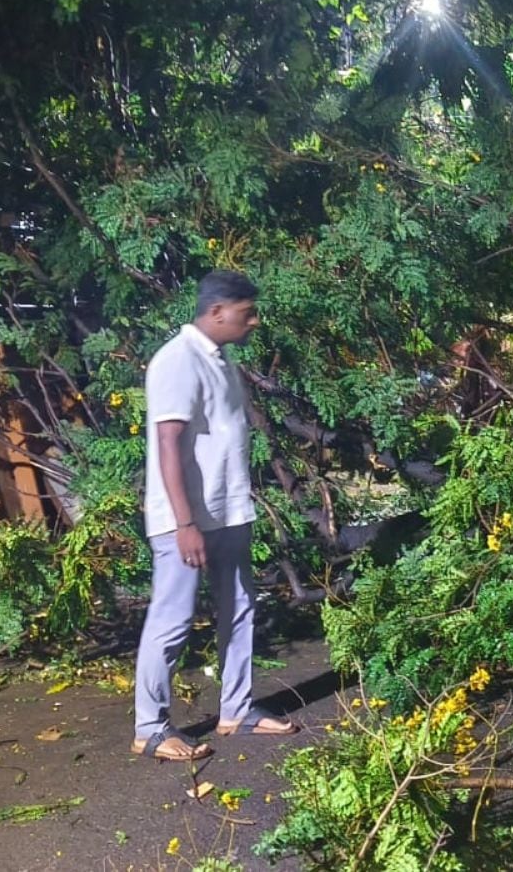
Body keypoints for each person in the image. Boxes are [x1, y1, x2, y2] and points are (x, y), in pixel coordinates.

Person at [132, 270, 298, 762]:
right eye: (248, 313)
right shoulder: (177, 360)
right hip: (184, 520)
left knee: (240, 606)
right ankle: (150, 728)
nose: (255, 322)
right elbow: (168, 444)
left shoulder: (222, 362)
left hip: (229, 510)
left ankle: (237, 711)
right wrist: (184, 524)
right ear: (217, 312)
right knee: (173, 619)